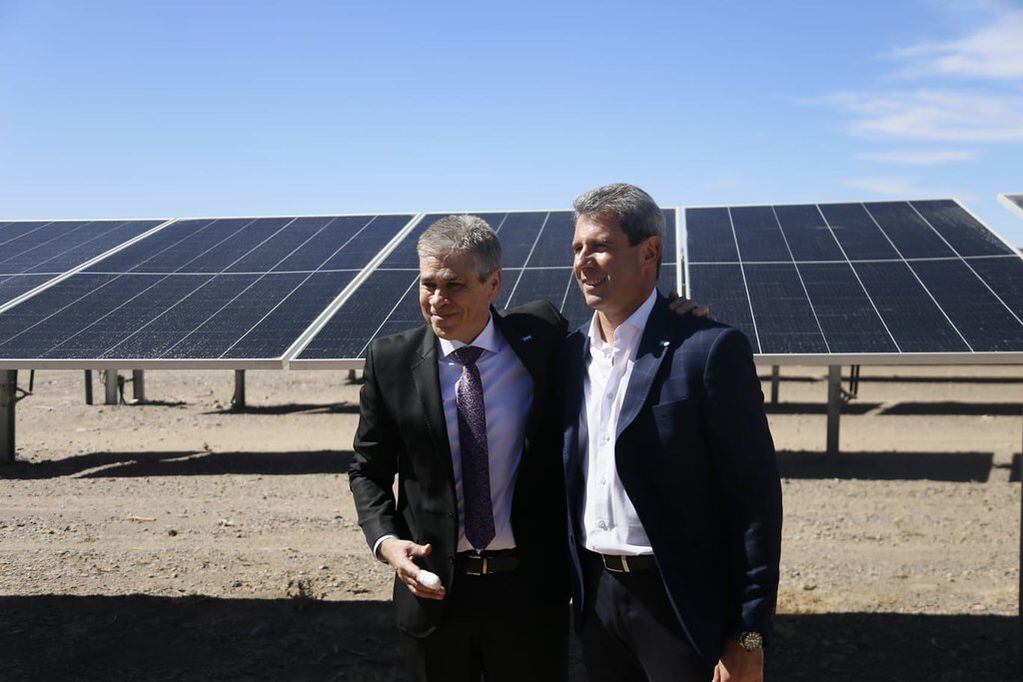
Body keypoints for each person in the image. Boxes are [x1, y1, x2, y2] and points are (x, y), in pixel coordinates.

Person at [559, 183, 783, 682]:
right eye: (577, 248)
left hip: (679, 602)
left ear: (650, 252)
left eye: (599, 246)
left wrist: (748, 635)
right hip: (597, 599)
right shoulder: (568, 355)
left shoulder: (706, 349)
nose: (583, 262)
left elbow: (754, 503)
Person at [348, 215, 571, 681]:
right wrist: (387, 544)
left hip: (528, 593)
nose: (436, 300)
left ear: (493, 284)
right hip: (434, 594)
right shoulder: (390, 360)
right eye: (427, 284)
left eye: (453, 285)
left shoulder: (542, 335)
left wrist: (675, 313)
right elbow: (367, 469)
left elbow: (615, 331)